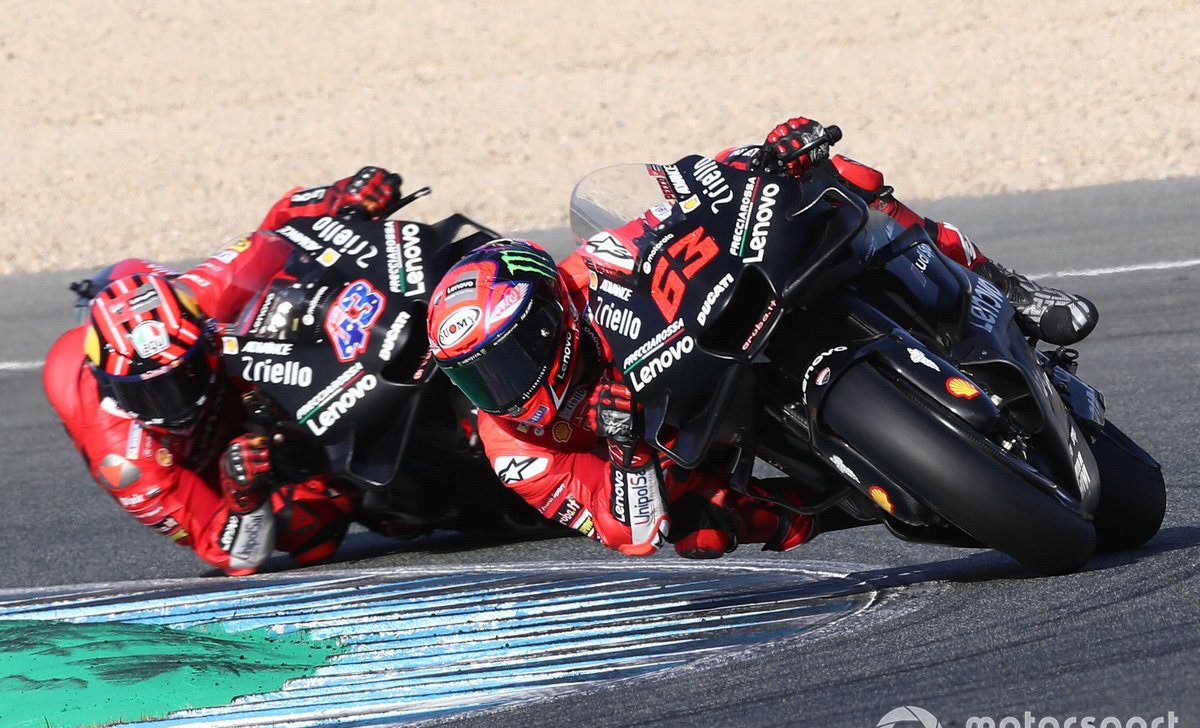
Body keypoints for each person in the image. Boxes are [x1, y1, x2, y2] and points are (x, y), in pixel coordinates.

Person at [424, 117, 1100, 559]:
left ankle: (1007, 287)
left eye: (511, 356)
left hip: (722, 337)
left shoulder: (583, 274)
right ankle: (825, 506)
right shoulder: (515, 447)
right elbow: (627, 531)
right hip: (686, 442)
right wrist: (628, 450)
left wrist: (766, 158)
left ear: (550, 310)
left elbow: (681, 195)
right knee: (701, 532)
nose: (505, 387)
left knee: (845, 185)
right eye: (479, 377)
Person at [44, 167, 407, 575]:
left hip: (234, 376)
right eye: (150, 395)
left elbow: (273, 237)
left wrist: (342, 198)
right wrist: (243, 497)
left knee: (296, 281)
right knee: (307, 530)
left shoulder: (199, 298)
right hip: (219, 463)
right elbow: (232, 555)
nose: (176, 404)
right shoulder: (125, 462)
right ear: (113, 388)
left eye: (184, 376)